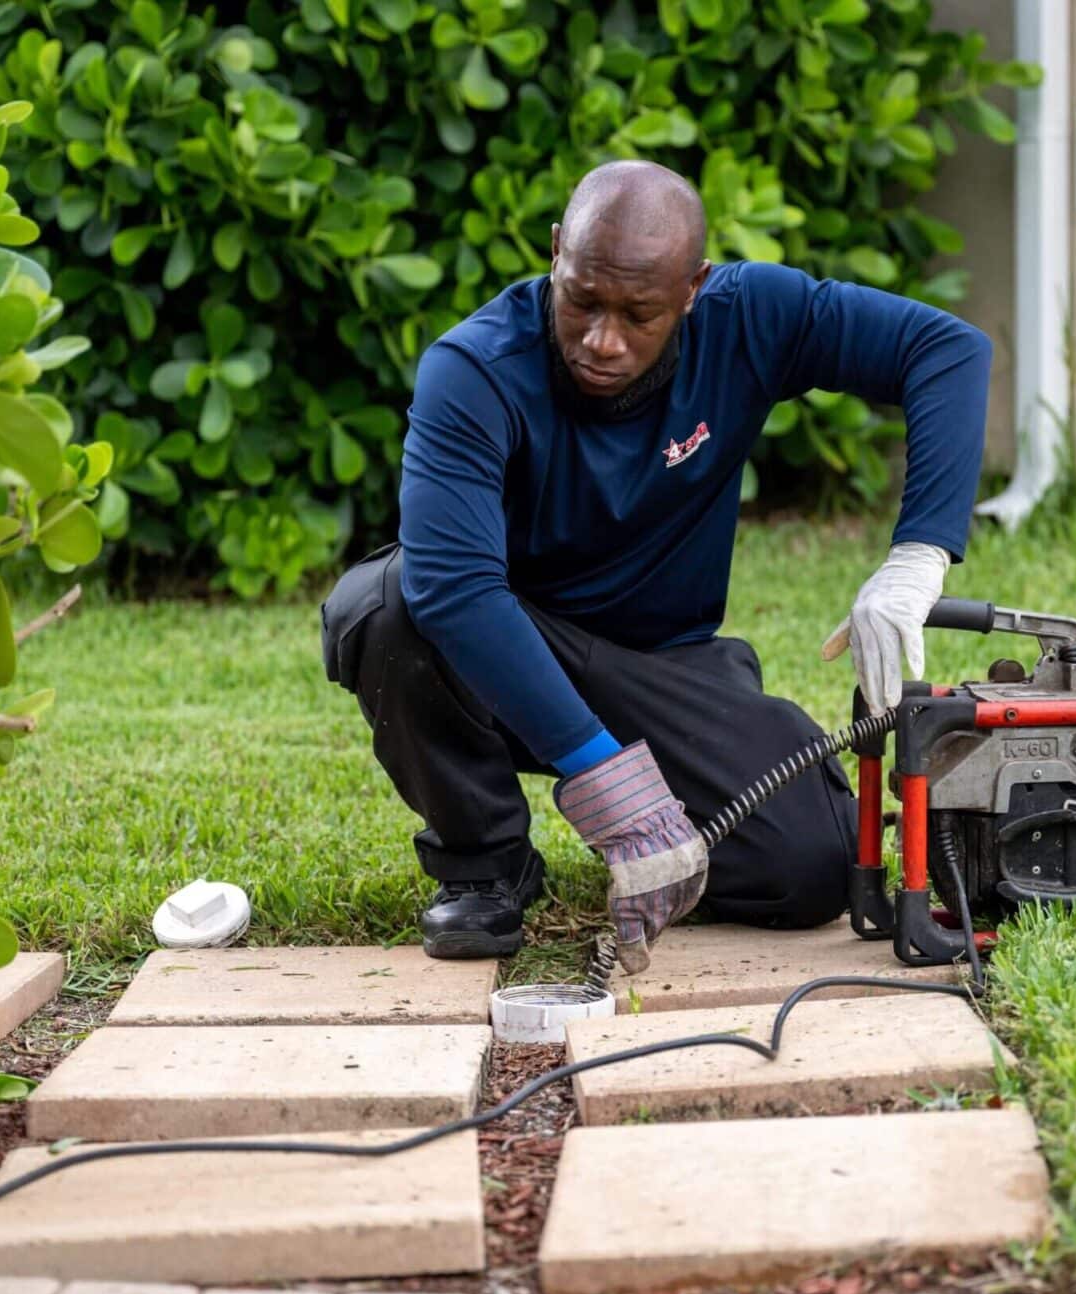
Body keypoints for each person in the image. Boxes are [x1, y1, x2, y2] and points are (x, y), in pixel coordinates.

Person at [320, 160, 991, 971]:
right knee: (389, 605)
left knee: (811, 868)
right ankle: (485, 865)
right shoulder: (473, 370)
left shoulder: (751, 318)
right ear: (559, 251)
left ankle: (671, 852)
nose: (602, 340)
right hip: (501, 656)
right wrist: (615, 793)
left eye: (639, 314)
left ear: (693, 288)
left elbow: (945, 349)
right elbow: (454, 588)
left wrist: (917, 557)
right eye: (583, 301)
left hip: (660, 665)